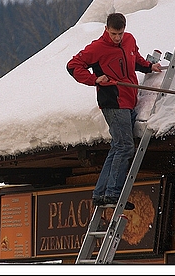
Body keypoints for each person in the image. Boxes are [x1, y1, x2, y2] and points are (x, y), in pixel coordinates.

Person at [66, 13, 162, 210]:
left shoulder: (129, 40)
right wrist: (94, 80)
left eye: (120, 33)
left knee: (118, 146)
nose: (117, 37)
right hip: (112, 101)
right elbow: (72, 66)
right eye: (113, 33)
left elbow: (134, 60)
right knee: (125, 146)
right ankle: (113, 194)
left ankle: (101, 193)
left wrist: (149, 67)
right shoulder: (97, 48)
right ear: (106, 29)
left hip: (129, 99)